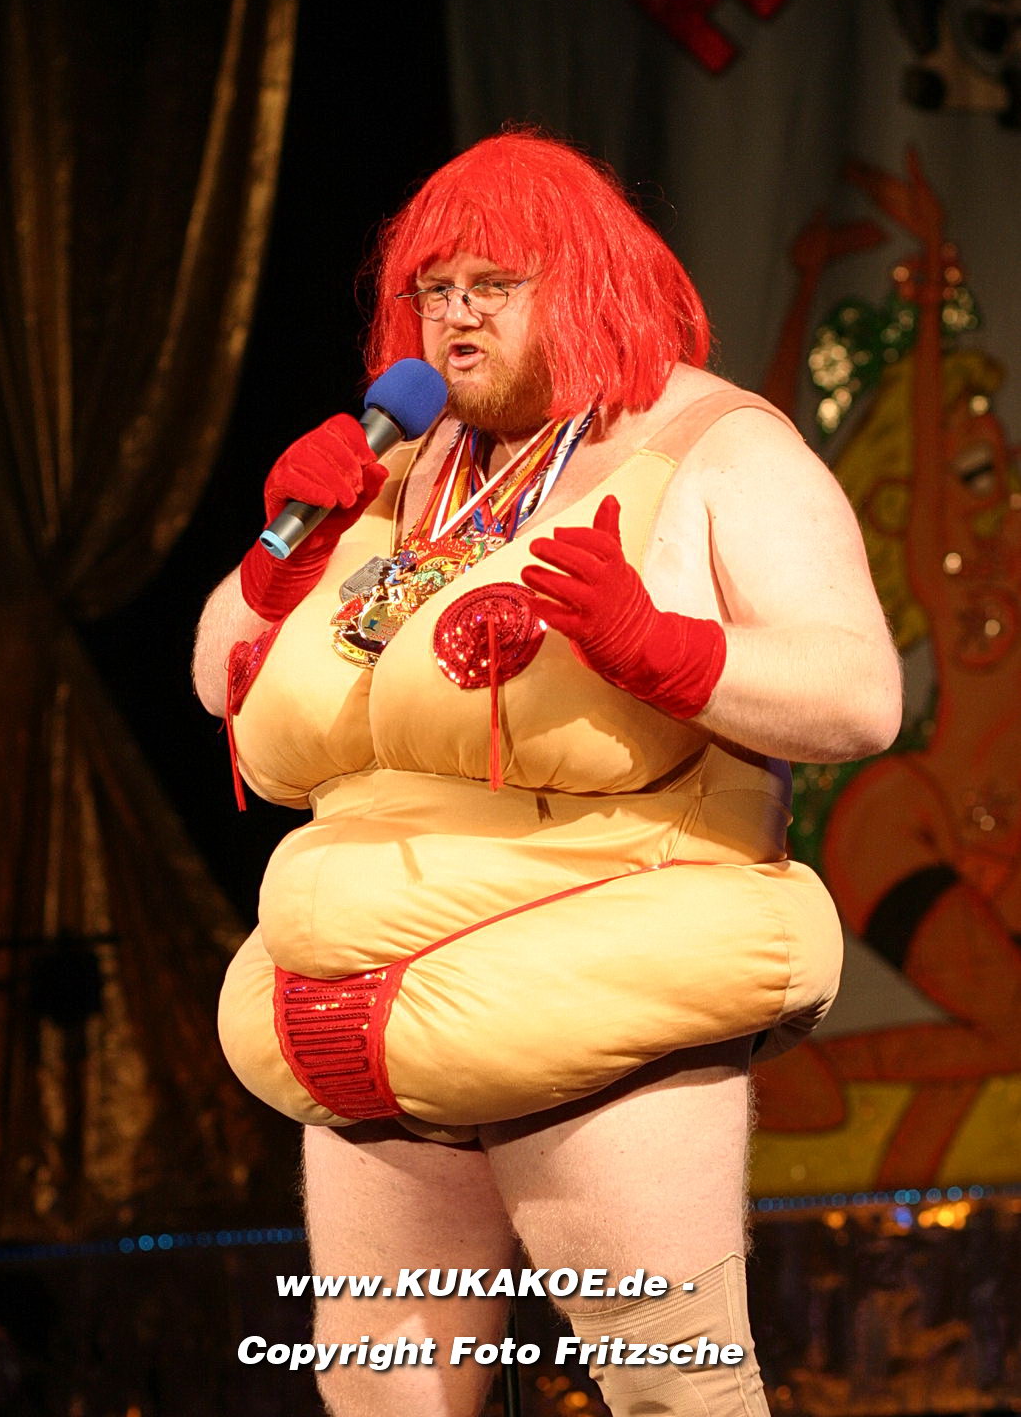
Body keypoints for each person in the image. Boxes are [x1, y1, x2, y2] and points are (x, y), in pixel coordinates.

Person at [193, 130, 902, 1417]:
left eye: (492, 287)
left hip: (596, 986)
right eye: (433, 291)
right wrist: (278, 554)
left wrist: (667, 651)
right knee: (381, 1396)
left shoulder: (717, 448)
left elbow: (858, 695)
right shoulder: (405, 469)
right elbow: (214, 680)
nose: (455, 319)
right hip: (364, 1005)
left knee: (671, 1385)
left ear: (583, 282)